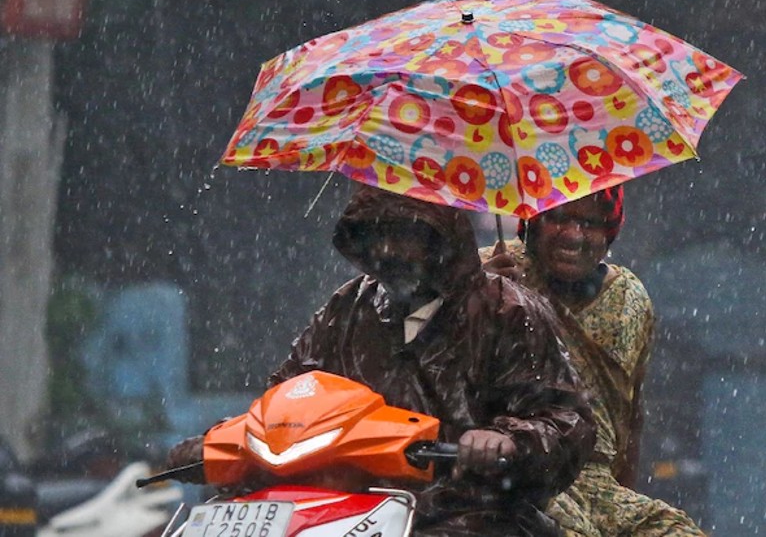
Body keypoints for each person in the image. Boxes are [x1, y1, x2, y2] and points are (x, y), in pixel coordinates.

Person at [168, 186, 595, 537]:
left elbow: (565, 421)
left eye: (404, 233)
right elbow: (285, 403)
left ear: (441, 238)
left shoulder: (508, 312)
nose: (388, 249)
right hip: (340, 514)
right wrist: (223, 444)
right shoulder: (347, 308)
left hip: (466, 516)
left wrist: (506, 441)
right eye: (375, 234)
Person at [481, 186, 705, 537]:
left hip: (597, 484)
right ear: (533, 223)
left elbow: (629, 416)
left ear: (610, 232)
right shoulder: (489, 272)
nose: (573, 236)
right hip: (518, 474)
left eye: (590, 223)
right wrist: (476, 299)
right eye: (558, 218)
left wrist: (626, 500)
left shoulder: (628, 299)